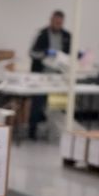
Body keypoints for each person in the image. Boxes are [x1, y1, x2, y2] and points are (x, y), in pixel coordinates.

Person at [28, 10, 71, 140]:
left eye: (60, 23)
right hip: (42, 75)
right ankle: (32, 132)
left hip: (59, 76)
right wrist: (45, 54)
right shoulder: (41, 34)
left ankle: (56, 132)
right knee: (38, 104)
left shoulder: (67, 36)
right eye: (55, 22)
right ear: (51, 20)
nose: (57, 24)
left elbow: (70, 54)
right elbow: (32, 53)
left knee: (58, 106)